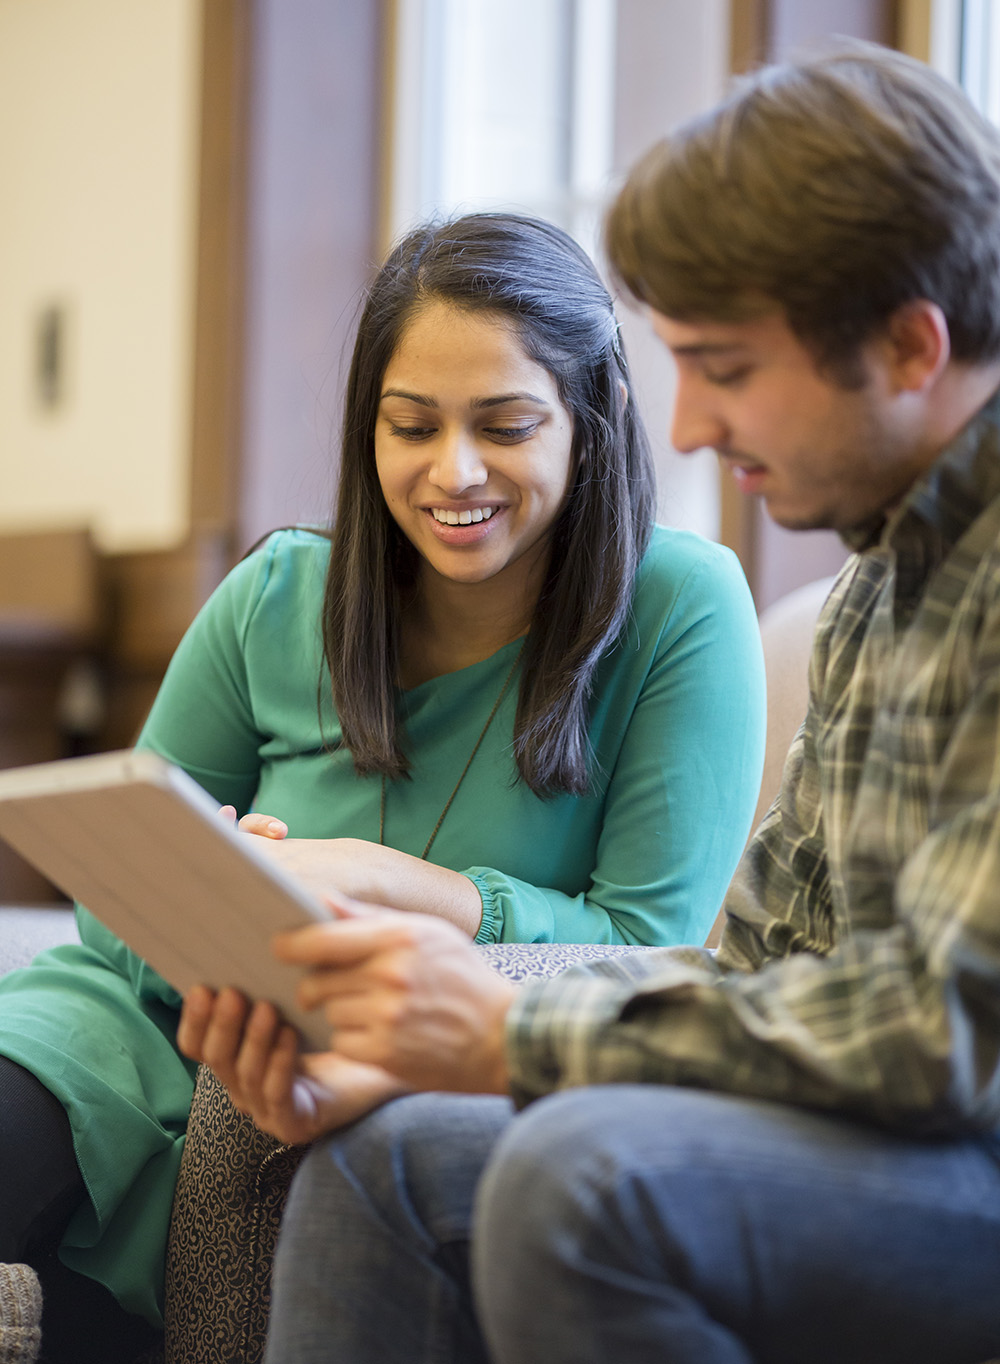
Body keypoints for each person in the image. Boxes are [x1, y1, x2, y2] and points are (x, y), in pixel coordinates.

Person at [185, 44, 1000, 1364]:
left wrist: (512, 1025)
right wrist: (424, 1052)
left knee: (583, 1187)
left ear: (912, 345)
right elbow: (757, 965)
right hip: (898, 1127)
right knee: (389, 1152)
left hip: (968, 1145)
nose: (682, 427)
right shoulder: (886, 580)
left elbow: (941, 1034)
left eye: (725, 368)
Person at [0, 214, 765, 1363]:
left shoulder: (679, 606)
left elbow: (643, 944)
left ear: (594, 417)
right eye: (411, 427)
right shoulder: (277, 594)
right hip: (130, 1024)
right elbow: (113, 887)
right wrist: (197, 872)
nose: (452, 472)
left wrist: (384, 880)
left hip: (365, 1057)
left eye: (506, 425)